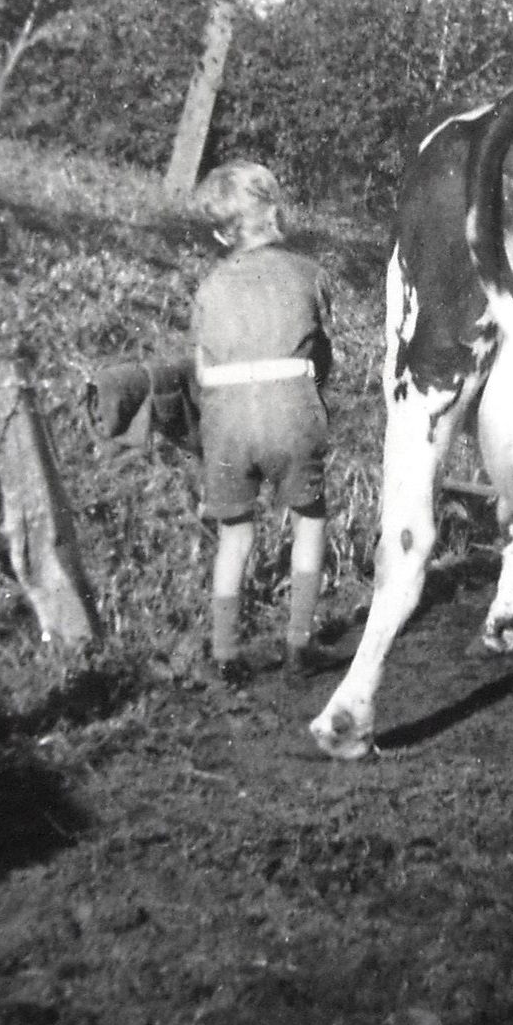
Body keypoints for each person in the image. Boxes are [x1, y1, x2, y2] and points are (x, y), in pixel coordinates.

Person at [190, 161, 337, 678]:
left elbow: (202, 367)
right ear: (275, 211)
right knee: (310, 518)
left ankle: (225, 654)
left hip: (227, 418)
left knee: (235, 532)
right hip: (290, 411)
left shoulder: (209, 286)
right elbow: (323, 358)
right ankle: (300, 643)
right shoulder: (307, 273)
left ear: (221, 230)